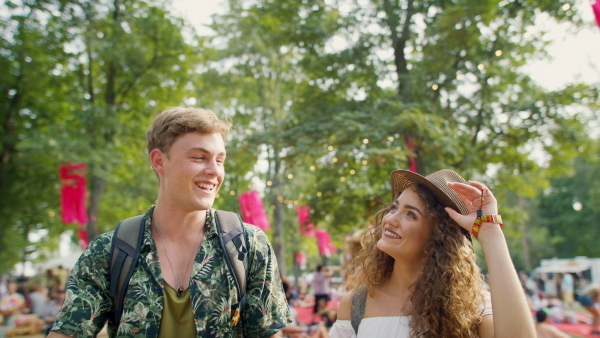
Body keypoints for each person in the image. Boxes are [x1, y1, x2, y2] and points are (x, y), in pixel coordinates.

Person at [49, 107, 290, 337]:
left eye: (220, 160)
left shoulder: (247, 245)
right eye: (199, 157)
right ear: (159, 161)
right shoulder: (110, 250)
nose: (214, 171)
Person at [329, 169, 535, 337]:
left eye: (410, 214)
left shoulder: (473, 307)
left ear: (438, 237)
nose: (389, 219)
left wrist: (491, 234)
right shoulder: (357, 303)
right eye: (394, 207)